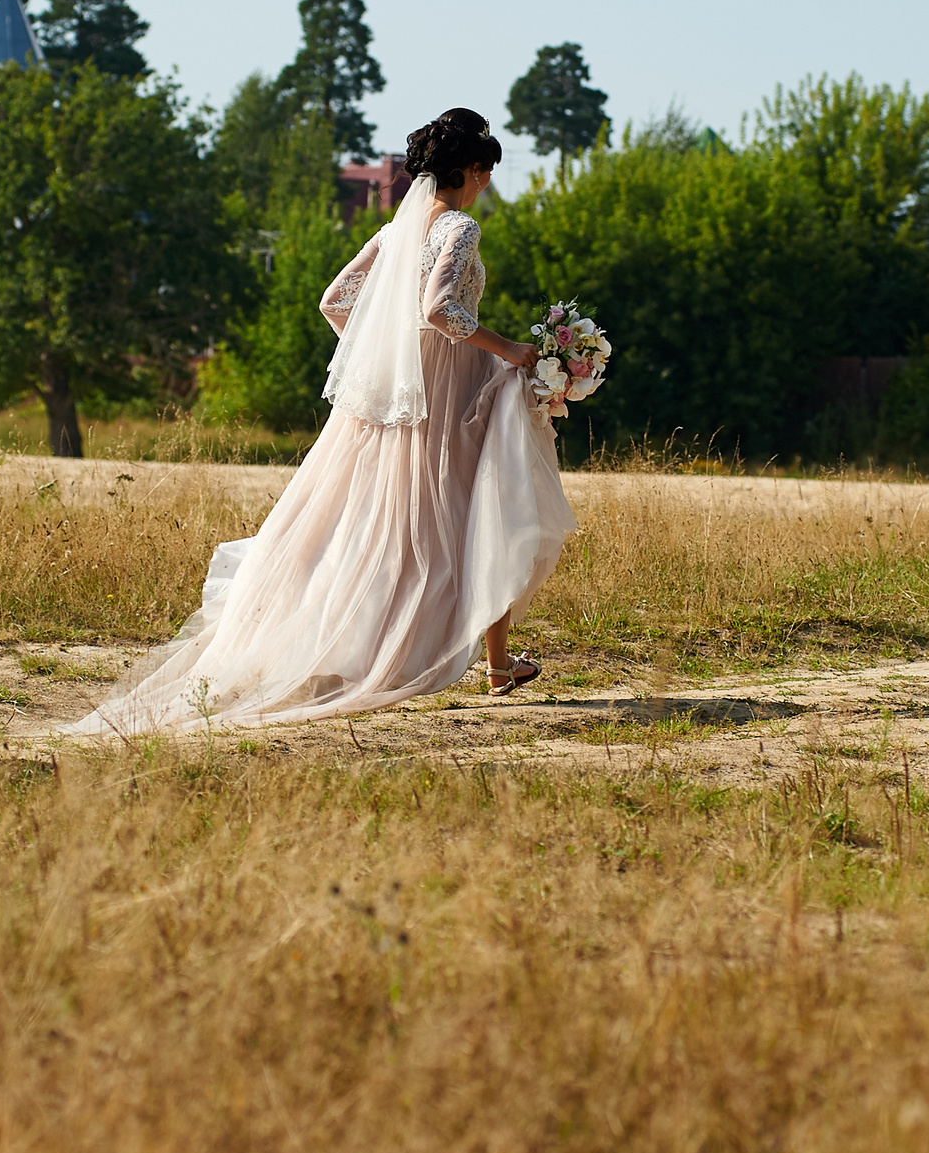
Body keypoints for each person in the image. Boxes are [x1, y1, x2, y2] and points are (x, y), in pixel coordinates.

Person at [76, 107, 575, 735]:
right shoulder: (460, 227)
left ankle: (491, 661)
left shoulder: (397, 232)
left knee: (404, 519)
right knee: (485, 510)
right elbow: (440, 308)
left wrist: (383, 362)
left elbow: (334, 301)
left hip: (398, 400)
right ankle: (476, 660)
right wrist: (512, 351)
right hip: (451, 397)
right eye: (485, 174)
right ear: (471, 170)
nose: (486, 187)